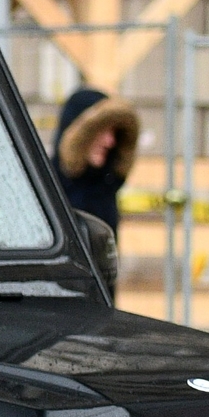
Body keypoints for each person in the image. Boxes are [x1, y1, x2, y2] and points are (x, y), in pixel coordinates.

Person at [55, 87, 138, 292]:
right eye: (101, 130)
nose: (110, 141)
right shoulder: (49, 191)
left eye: (114, 132)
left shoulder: (105, 190)